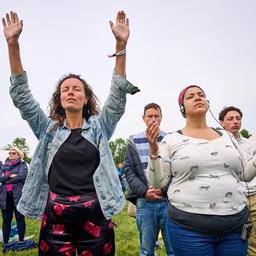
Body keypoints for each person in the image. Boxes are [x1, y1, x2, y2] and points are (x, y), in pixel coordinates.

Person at [2, 10, 139, 255]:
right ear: (60, 98)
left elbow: (117, 97)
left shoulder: (99, 126)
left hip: (95, 214)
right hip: (56, 216)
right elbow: (22, 97)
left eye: (77, 89)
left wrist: (120, 45)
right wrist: (13, 45)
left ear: (86, 98)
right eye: (65, 89)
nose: (71, 92)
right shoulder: (48, 130)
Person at [146, 85, 256, 256]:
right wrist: (153, 152)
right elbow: (157, 183)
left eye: (201, 95)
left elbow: (245, 174)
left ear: (207, 102)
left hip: (234, 228)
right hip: (189, 230)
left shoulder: (227, 136)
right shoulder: (171, 140)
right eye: (190, 96)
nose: (197, 97)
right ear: (182, 108)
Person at [124, 103, 173, 256]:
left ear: (161, 117)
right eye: (149, 116)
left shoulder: (170, 139)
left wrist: (164, 190)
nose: (153, 119)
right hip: (145, 202)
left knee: (174, 248)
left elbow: (176, 170)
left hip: (168, 202)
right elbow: (128, 170)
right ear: (143, 118)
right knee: (146, 250)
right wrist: (144, 192)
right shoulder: (134, 140)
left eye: (156, 116)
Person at [219, 106, 256, 256]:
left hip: (252, 197)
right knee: (232, 240)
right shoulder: (218, 145)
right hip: (230, 199)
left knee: (253, 241)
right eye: (230, 119)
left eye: (238, 118)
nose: (235, 121)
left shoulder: (251, 144)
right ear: (221, 122)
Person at [0, 147, 28, 247]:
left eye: (13, 153)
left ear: (18, 155)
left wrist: (5, 180)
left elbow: (21, 176)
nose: (11, 154)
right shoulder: (3, 166)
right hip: (5, 197)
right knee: (6, 220)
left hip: (18, 196)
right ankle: (6, 243)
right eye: (10, 153)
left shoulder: (23, 165)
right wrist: (10, 175)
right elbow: (0, 177)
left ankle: (21, 241)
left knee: (20, 218)